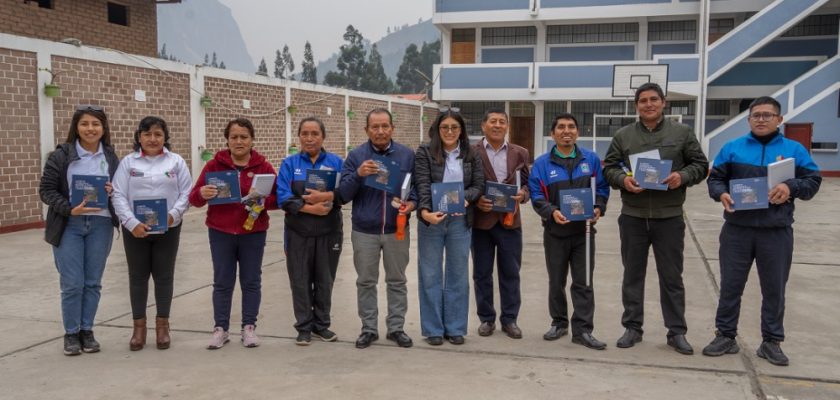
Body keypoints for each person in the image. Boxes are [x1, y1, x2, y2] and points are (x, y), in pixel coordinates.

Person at [702, 97, 821, 366]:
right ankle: (726, 336)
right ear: (749, 120)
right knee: (730, 286)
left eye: (768, 115)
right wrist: (721, 194)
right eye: (756, 115)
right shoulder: (733, 148)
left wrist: (791, 187)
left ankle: (771, 341)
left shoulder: (794, 150)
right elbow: (715, 179)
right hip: (737, 230)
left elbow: (812, 181)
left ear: (779, 120)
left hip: (775, 231)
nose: (761, 119)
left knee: (774, 289)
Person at [603, 82, 709, 355]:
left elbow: (700, 165)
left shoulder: (682, 133)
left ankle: (676, 332)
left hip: (669, 217)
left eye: (653, 99)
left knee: (672, 277)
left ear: (663, 103)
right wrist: (624, 182)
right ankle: (632, 327)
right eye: (642, 100)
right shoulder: (624, 135)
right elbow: (610, 168)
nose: (648, 104)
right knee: (632, 275)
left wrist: (681, 177)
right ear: (636, 105)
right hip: (633, 217)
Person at [188, 118, 278, 349]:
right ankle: (221, 329)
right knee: (222, 281)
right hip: (221, 231)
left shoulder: (264, 167)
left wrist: (261, 200)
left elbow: (279, 199)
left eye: (244, 137)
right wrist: (203, 192)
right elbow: (194, 199)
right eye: (234, 137)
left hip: (253, 232)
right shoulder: (213, 166)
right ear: (227, 140)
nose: (239, 141)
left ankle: (249, 327)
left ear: (252, 139)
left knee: (251, 280)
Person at [39, 104, 120, 356]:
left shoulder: (109, 156)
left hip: (101, 224)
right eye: (84, 123)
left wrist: (112, 191)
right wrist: (69, 208)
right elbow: (46, 190)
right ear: (76, 127)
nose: (90, 129)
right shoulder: (61, 155)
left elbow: (119, 188)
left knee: (93, 282)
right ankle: (71, 333)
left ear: (103, 128)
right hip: (69, 224)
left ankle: (87, 330)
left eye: (96, 124)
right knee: (72, 283)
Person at [529, 113, 610, 350]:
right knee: (556, 281)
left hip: (584, 232)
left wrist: (599, 208)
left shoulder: (591, 160)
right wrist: (552, 212)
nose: (567, 131)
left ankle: (583, 330)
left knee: (584, 282)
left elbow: (602, 189)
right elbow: (536, 195)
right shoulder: (542, 164)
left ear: (577, 132)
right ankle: (559, 322)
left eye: (571, 127)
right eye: (561, 127)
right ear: (553, 134)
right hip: (555, 232)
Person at [111, 116, 192, 351]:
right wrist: (131, 222)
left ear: (165, 137)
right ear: (139, 137)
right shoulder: (128, 163)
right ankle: (139, 328)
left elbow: (186, 193)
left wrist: (173, 215)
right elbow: (117, 194)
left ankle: (162, 327)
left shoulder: (176, 162)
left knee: (164, 276)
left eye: (158, 134)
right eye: (147, 134)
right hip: (136, 230)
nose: (153, 139)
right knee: (138, 277)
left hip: (168, 227)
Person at [339, 108, 417, 349]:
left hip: (397, 229)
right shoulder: (356, 156)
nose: (380, 131)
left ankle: (396, 328)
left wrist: (412, 204)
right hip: (365, 231)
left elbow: (415, 188)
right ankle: (369, 328)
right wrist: (359, 175)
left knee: (397, 280)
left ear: (392, 128)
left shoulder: (406, 155)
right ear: (366, 130)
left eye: (385, 126)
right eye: (375, 127)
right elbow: (342, 194)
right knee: (365, 281)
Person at [415, 109, 485, 345]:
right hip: (432, 220)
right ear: (437, 129)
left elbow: (479, 185)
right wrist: (425, 212)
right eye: (445, 127)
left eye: (455, 127)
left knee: (457, 275)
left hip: (460, 221)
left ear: (461, 131)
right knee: (430, 274)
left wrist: (466, 197)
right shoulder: (425, 152)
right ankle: (433, 329)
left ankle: (455, 327)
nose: (450, 131)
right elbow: (423, 184)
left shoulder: (471, 154)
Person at [277, 117, 344, 346]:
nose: (309, 138)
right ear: (299, 137)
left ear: (323, 136)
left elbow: (344, 191)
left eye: (315, 133)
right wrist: (309, 209)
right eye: (305, 133)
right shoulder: (289, 164)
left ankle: (321, 325)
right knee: (300, 280)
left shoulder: (336, 163)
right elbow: (283, 197)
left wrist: (327, 203)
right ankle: (304, 327)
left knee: (325, 279)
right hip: (298, 232)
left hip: (329, 231)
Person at [470, 108, 529, 339]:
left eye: (502, 122)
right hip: (481, 223)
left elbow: (527, 185)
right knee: (482, 273)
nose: (497, 125)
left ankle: (510, 319)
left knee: (511, 273)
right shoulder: (471, 152)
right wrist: (476, 201)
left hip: (510, 222)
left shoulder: (520, 152)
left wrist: (522, 195)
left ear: (507, 127)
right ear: (483, 126)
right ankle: (486, 319)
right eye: (492, 121)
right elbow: (465, 182)